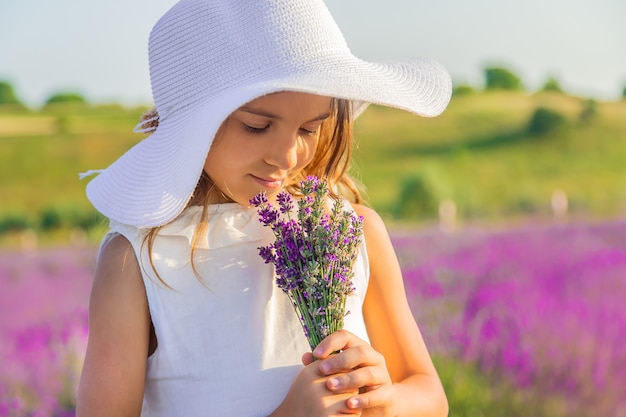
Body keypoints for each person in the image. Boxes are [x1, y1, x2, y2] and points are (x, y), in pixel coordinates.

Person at [76, 0, 452, 416]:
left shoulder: (350, 231)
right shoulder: (141, 258)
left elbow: (429, 395)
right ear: (193, 125)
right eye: (257, 126)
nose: (288, 155)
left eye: (310, 128)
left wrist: (385, 399)